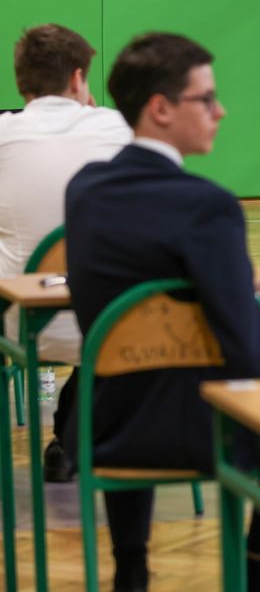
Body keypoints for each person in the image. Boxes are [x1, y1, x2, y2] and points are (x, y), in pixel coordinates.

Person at [64, 32, 260, 592]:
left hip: (100, 420)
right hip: (194, 427)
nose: (221, 111)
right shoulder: (208, 207)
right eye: (207, 99)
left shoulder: (84, 191)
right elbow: (242, 345)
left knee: (143, 374)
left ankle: (132, 565)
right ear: (161, 108)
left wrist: (242, 286)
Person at [0, 24, 131, 482]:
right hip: (116, 327)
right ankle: (70, 436)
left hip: (19, 329)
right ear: (79, 79)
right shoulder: (117, 128)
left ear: (22, 83)